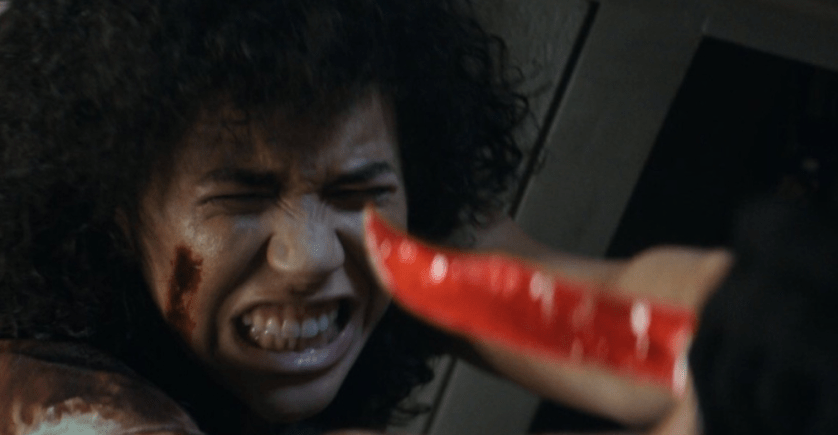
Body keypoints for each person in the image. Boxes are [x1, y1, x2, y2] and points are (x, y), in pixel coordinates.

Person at [0, 0, 530, 432]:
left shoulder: (416, 245)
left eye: (357, 192)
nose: (311, 258)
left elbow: (574, 322)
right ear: (115, 209)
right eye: (241, 199)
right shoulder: (60, 402)